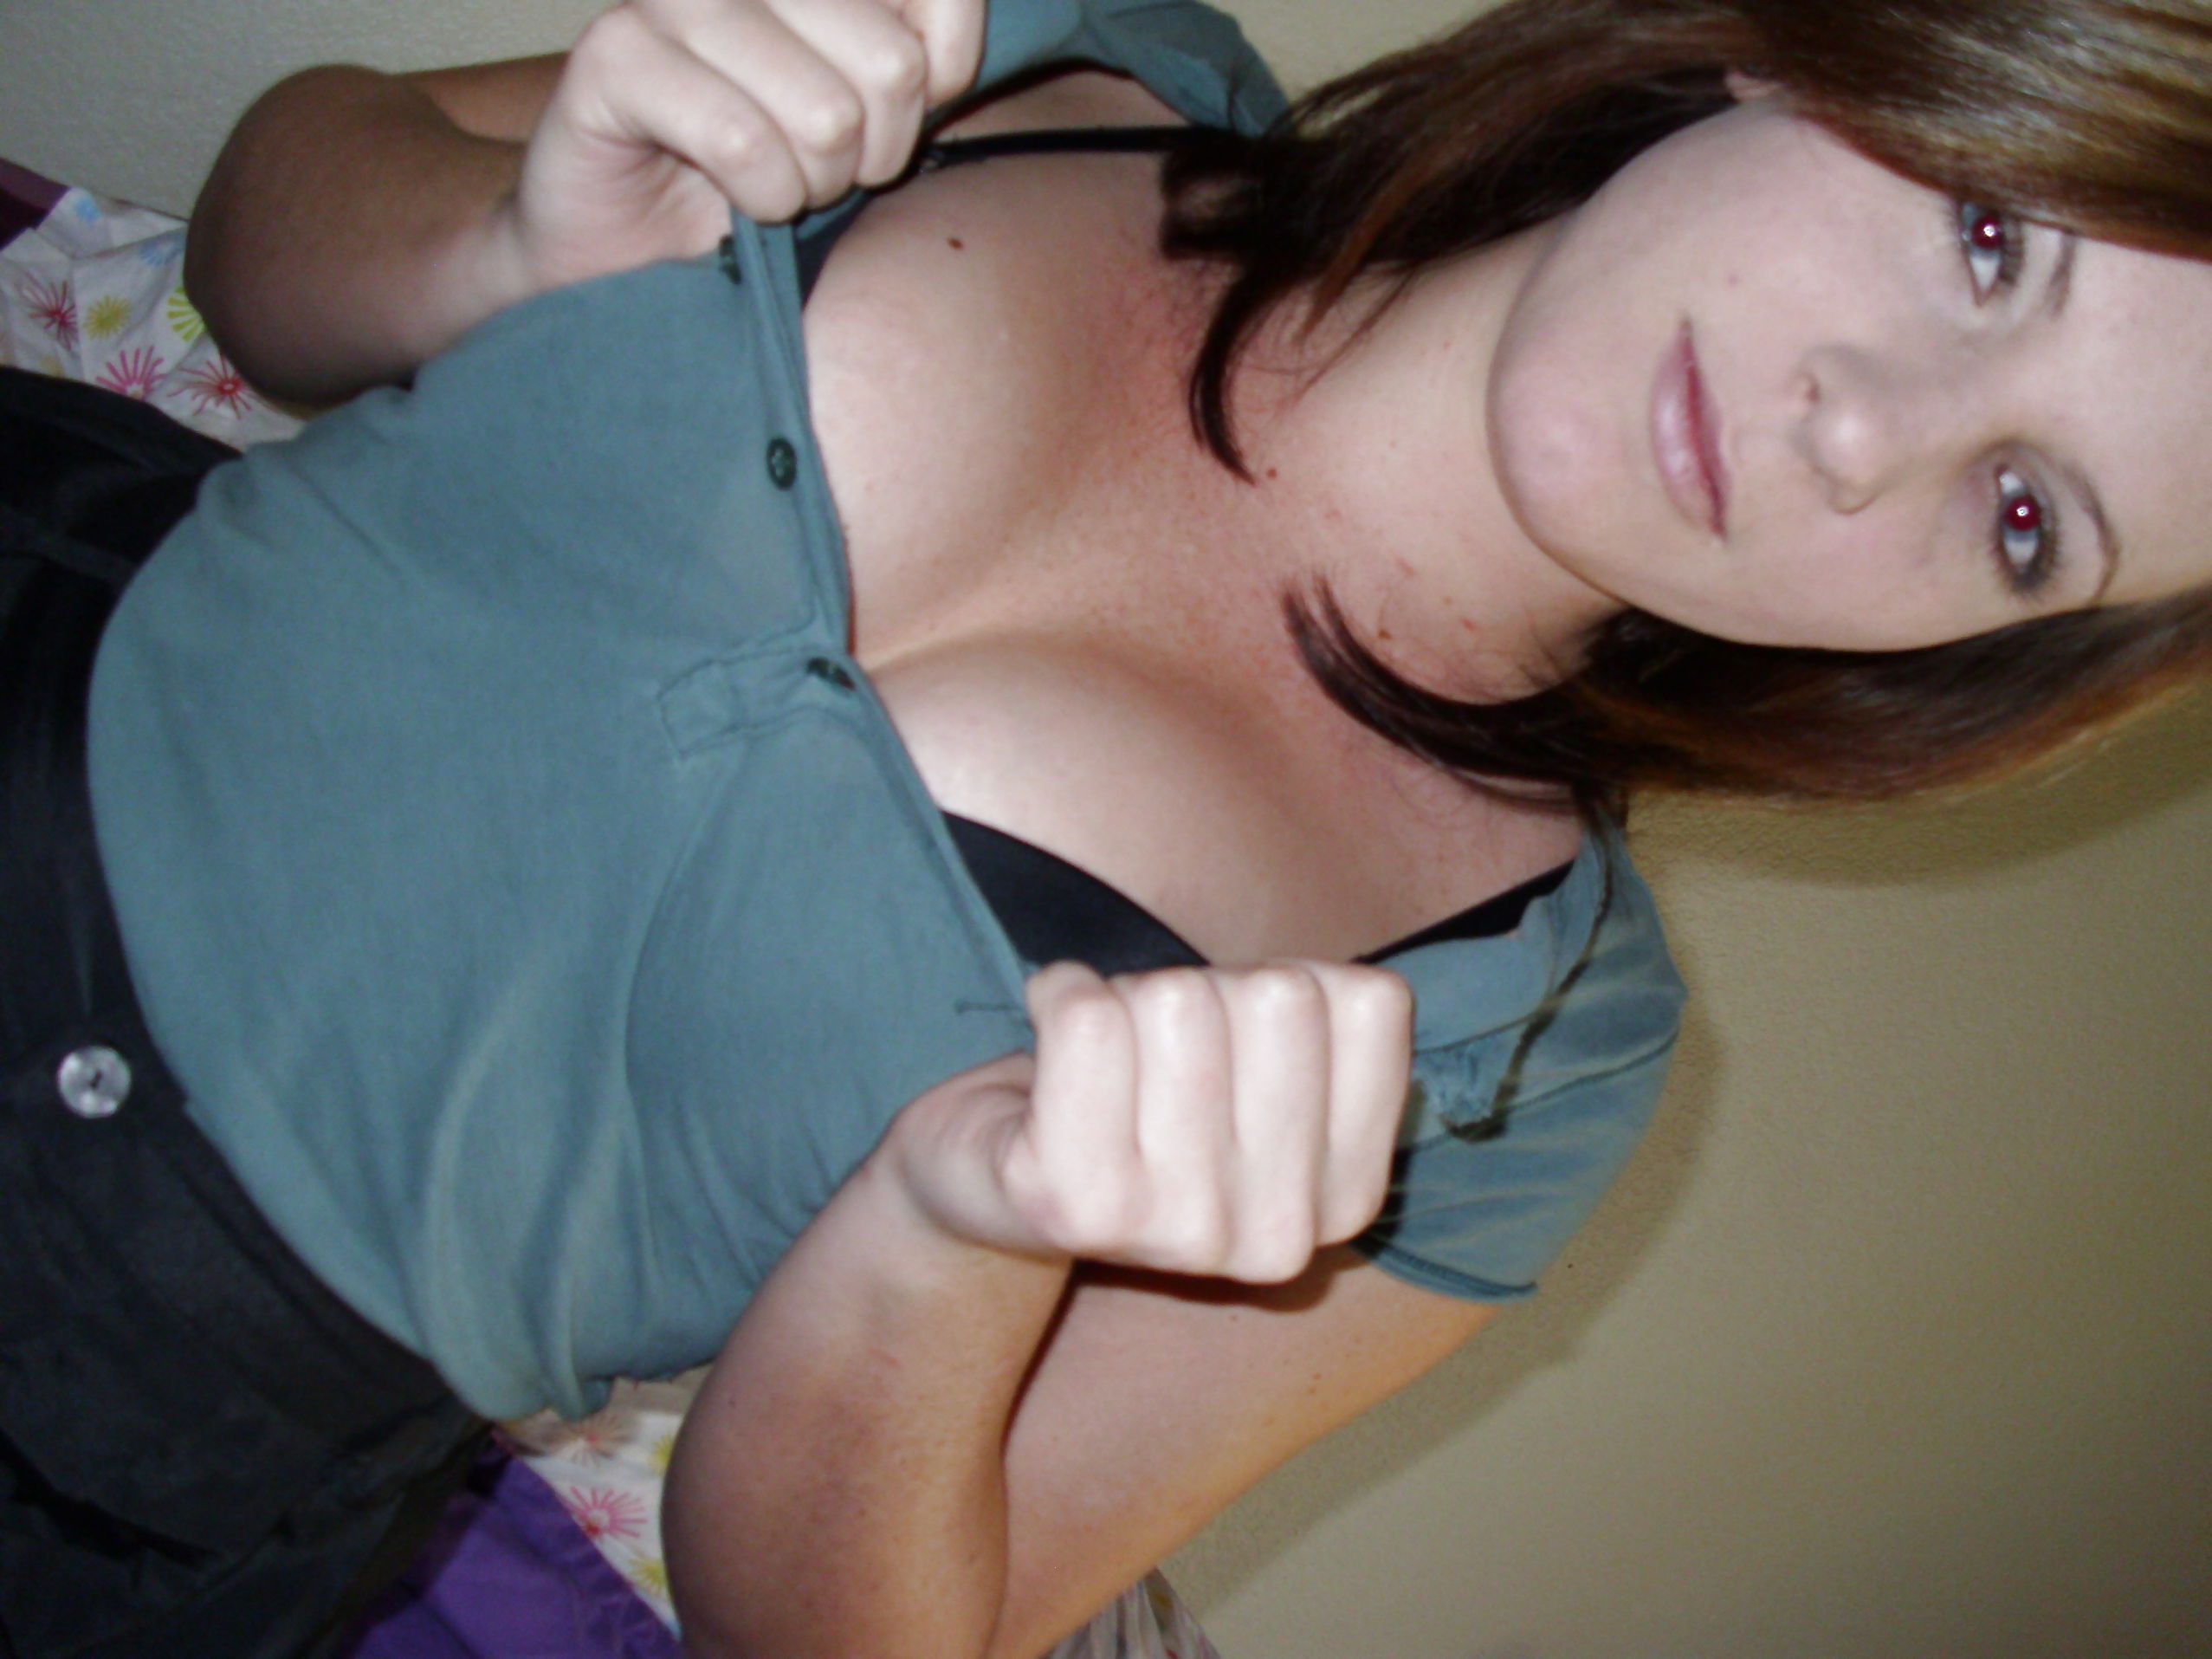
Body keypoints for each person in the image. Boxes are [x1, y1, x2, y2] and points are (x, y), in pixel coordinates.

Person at [5, 0, 2211, 1655]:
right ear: (1813, 55)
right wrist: (497, 238)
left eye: (2021, 513)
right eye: (1987, 238)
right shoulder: (1065, 49)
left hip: (110, 1419)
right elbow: (267, 240)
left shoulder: (1524, 1047)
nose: (1862, 436)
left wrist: (948, 1238)